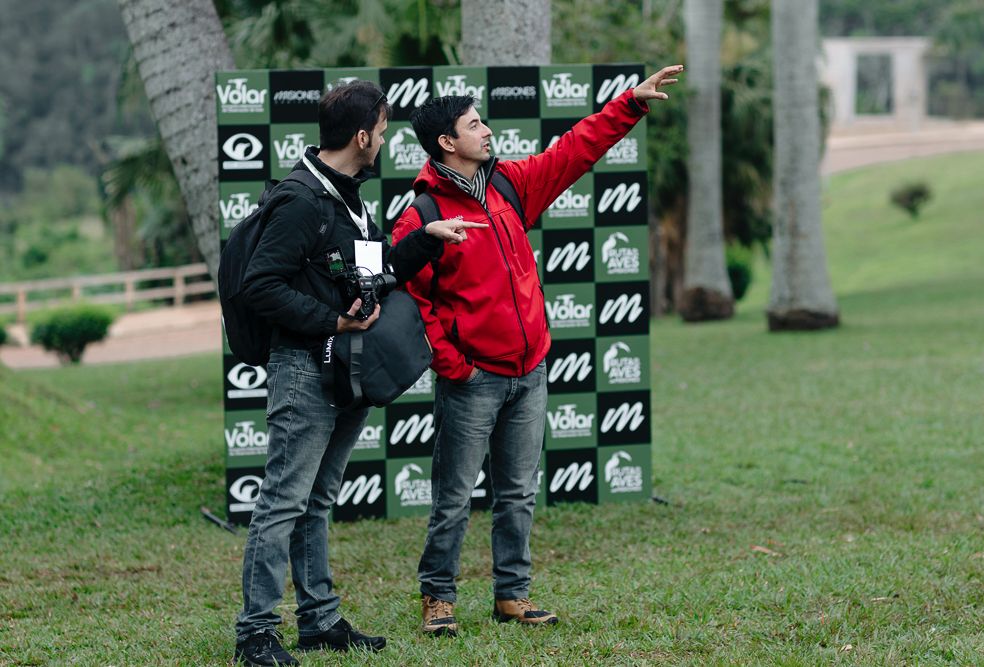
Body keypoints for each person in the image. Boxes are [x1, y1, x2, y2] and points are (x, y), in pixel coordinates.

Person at [393, 64, 684, 636]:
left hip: (530, 371)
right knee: (453, 497)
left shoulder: (508, 185)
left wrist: (630, 103)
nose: (487, 131)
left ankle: (512, 595)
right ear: (447, 143)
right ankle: (438, 598)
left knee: (519, 494)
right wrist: (457, 365)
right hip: (472, 380)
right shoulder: (422, 214)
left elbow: (575, 150)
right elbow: (412, 301)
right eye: (475, 125)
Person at [233, 80, 486, 666]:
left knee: (317, 501)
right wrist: (331, 321)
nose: (385, 141)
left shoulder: (347, 196)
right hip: (304, 369)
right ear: (363, 135)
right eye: (383, 130)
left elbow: (372, 274)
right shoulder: (301, 198)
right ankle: (256, 633)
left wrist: (424, 238)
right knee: (282, 502)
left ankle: (319, 620)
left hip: (343, 371)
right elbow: (260, 285)